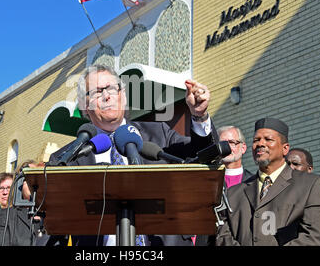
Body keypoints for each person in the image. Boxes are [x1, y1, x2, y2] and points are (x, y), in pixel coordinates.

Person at [49, 64, 218, 246]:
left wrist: (199, 116)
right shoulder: (68, 158)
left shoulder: (158, 133)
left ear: (123, 95)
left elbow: (202, 155)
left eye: (112, 89)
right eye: (97, 92)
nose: (107, 96)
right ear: (84, 104)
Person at [216, 117, 320, 246]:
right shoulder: (233, 193)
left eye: (268, 139)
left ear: (285, 148)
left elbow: (314, 237)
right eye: (256, 140)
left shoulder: (311, 185)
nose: (260, 144)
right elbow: (222, 235)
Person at [0, 161, 66, 246]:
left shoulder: (58, 215)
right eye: (28, 179)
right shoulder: (8, 215)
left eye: (38, 177)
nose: (34, 182)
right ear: (19, 185)